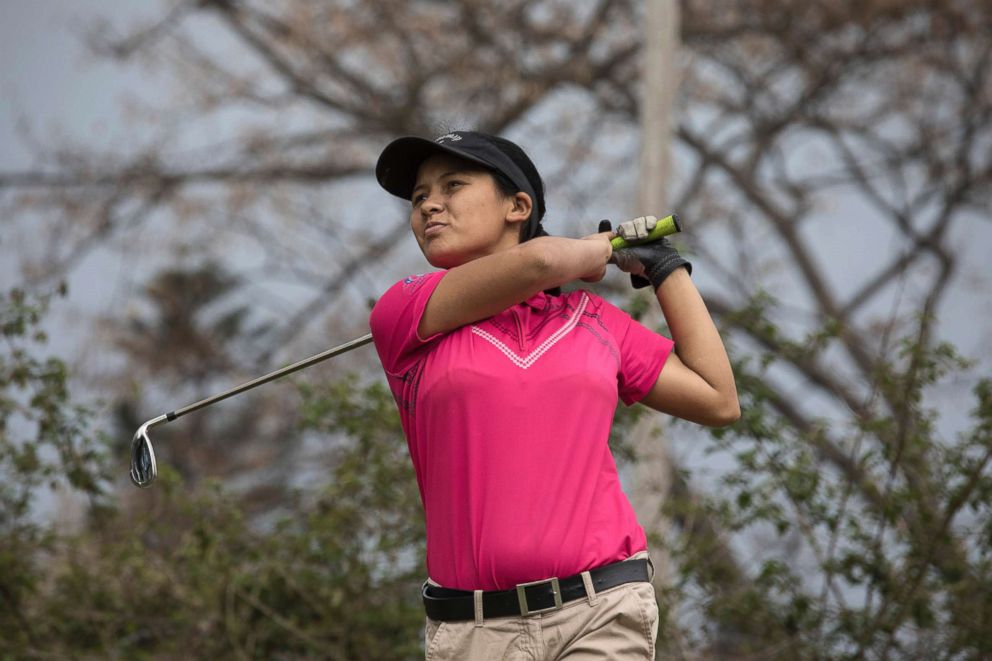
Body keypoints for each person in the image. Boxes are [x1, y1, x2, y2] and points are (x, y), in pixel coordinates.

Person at [370, 130, 739, 660]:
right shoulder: (404, 313)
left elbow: (717, 398)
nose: (429, 203)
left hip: (601, 608)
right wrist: (592, 251)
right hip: (473, 631)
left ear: (517, 207)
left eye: (452, 185)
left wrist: (664, 268)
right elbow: (539, 265)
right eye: (419, 196)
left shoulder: (592, 321)